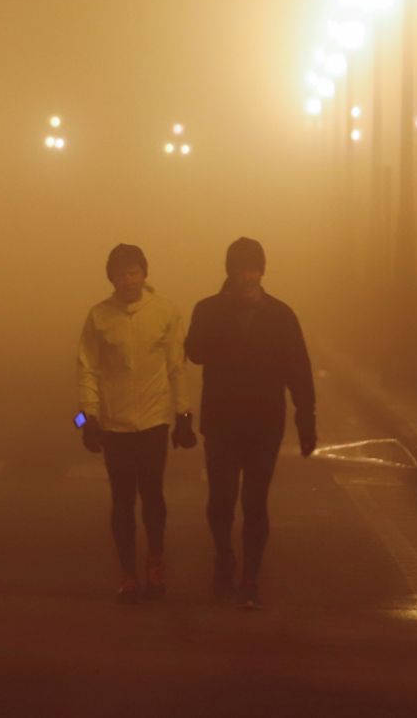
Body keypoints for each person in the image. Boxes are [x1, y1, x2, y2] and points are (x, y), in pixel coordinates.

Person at [183, 237, 315, 610]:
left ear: (262, 271)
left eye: (253, 269)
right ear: (229, 272)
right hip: (222, 421)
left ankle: (250, 578)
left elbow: (298, 370)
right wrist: (224, 311)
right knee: (221, 499)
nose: (246, 277)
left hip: (264, 423)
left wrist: (306, 418)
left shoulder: (280, 315)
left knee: (255, 502)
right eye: (240, 269)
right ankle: (224, 556)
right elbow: (194, 352)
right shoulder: (208, 310)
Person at [77, 243, 196, 604]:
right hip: (114, 424)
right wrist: (86, 418)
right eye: (120, 274)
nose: (127, 280)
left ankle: (155, 563)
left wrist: (184, 415)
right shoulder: (98, 316)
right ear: (111, 278)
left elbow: (177, 366)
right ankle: (128, 572)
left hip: (154, 421)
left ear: (145, 274)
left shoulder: (165, 312)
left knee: (153, 497)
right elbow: (87, 369)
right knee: (122, 500)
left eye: (133, 272)